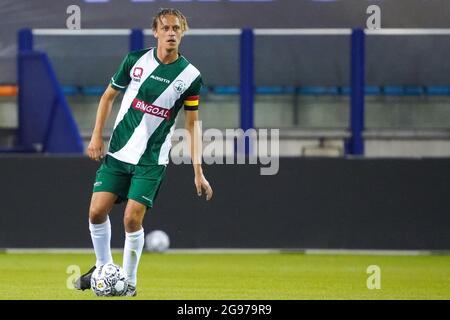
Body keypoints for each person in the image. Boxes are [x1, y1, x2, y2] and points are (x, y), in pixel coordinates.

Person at [74, 8, 213, 297]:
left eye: (176, 28)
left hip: (151, 160)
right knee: (96, 212)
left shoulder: (190, 76)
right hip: (119, 152)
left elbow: (192, 125)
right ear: (156, 32)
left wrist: (198, 171)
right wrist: (96, 136)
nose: (171, 33)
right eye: (166, 28)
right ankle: (104, 269)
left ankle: (130, 284)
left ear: (183, 32)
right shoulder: (135, 61)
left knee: (131, 219)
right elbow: (108, 96)